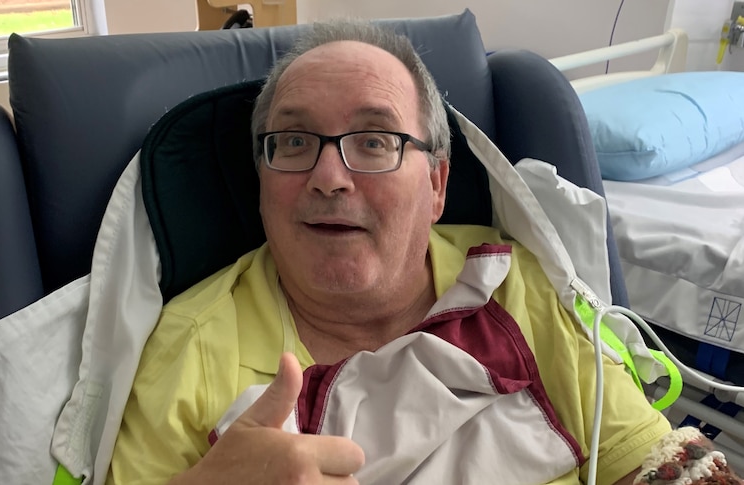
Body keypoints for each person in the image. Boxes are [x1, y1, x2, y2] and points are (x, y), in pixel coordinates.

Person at [107, 19, 689, 485]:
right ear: (260, 183)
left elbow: (654, 462)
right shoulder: (189, 351)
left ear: (436, 184)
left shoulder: (517, 284)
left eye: (375, 141)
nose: (328, 176)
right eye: (292, 141)